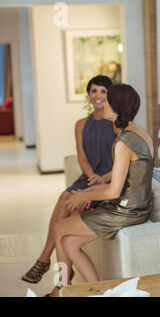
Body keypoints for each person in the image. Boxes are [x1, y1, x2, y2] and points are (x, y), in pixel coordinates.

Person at [46, 84, 154, 297]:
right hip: (136, 206)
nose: (101, 103)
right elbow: (129, 180)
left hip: (126, 210)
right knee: (69, 241)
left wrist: (83, 196)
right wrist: (95, 189)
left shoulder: (123, 142)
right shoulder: (138, 132)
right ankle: (99, 293)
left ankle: (62, 291)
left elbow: (114, 192)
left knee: (60, 228)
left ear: (114, 106)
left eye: (106, 100)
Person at [21, 75, 115, 284]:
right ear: (88, 94)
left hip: (109, 181)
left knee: (66, 204)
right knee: (66, 198)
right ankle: (57, 274)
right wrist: (92, 177)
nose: (97, 96)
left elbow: (122, 163)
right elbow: (81, 156)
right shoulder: (81, 124)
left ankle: (45, 262)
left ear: (110, 95)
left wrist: (102, 179)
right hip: (89, 178)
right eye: (94, 91)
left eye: (103, 91)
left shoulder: (116, 123)